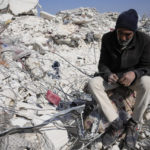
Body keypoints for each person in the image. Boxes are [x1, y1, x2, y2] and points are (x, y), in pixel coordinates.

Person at [88, 9, 150, 149]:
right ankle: (116, 123)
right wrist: (108, 74)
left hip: (133, 80)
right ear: (115, 29)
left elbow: (148, 67)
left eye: (127, 34)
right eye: (120, 33)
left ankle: (133, 124)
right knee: (93, 83)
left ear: (134, 32)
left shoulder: (145, 40)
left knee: (148, 83)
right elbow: (102, 64)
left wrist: (134, 74)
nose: (122, 38)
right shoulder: (107, 38)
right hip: (114, 79)